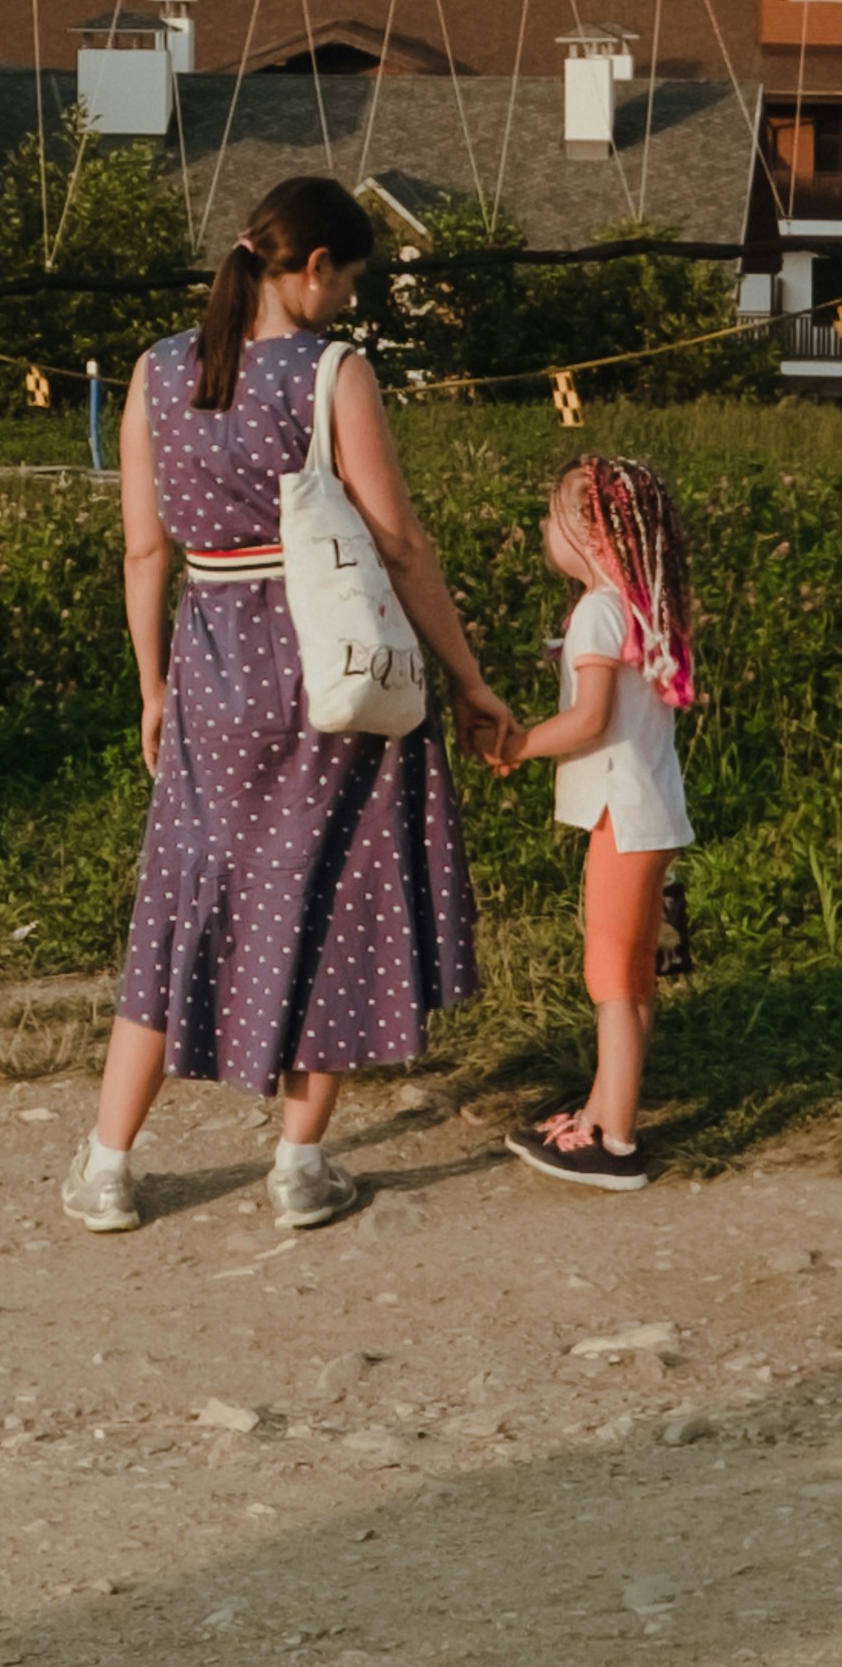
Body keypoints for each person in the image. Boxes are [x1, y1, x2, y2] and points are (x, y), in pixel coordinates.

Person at [74, 173, 513, 1238]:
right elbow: (400, 542)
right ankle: (299, 1166)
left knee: (182, 905)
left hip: (210, 663)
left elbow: (144, 549)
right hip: (331, 669)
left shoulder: (154, 369)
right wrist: (467, 676)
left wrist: (150, 684)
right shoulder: (332, 373)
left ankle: (106, 1166)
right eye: (349, 278)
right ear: (312, 266)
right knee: (331, 897)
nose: (350, 301)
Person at [502, 451, 699, 1189]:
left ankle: (613, 1142)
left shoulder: (596, 612)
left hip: (620, 811)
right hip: (655, 810)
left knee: (610, 977)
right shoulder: (645, 604)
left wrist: (518, 745)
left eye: (551, 518)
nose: (542, 531)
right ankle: (599, 1112)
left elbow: (587, 720)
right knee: (636, 975)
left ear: (589, 531)